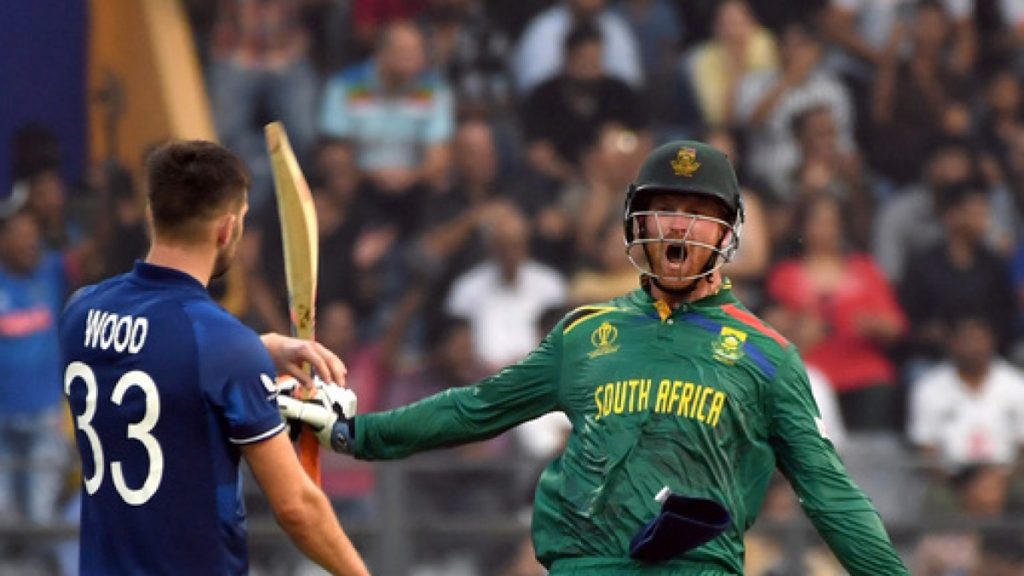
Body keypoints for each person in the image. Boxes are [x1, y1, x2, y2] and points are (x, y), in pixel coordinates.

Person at [286, 140, 909, 574]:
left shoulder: (769, 356)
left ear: (730, 232)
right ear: (635, 221)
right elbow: (475, 410)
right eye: (664, 209)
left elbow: (832, 497)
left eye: (698, 214)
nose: (677, 227)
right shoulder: (585, 333)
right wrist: (351, 432)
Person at [58, 140, 369, 576]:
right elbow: (297, 507)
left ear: (152, 214)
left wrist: (258, 348)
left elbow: (153, 354)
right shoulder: (221, 345)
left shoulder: (80, 310)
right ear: (226, 229)